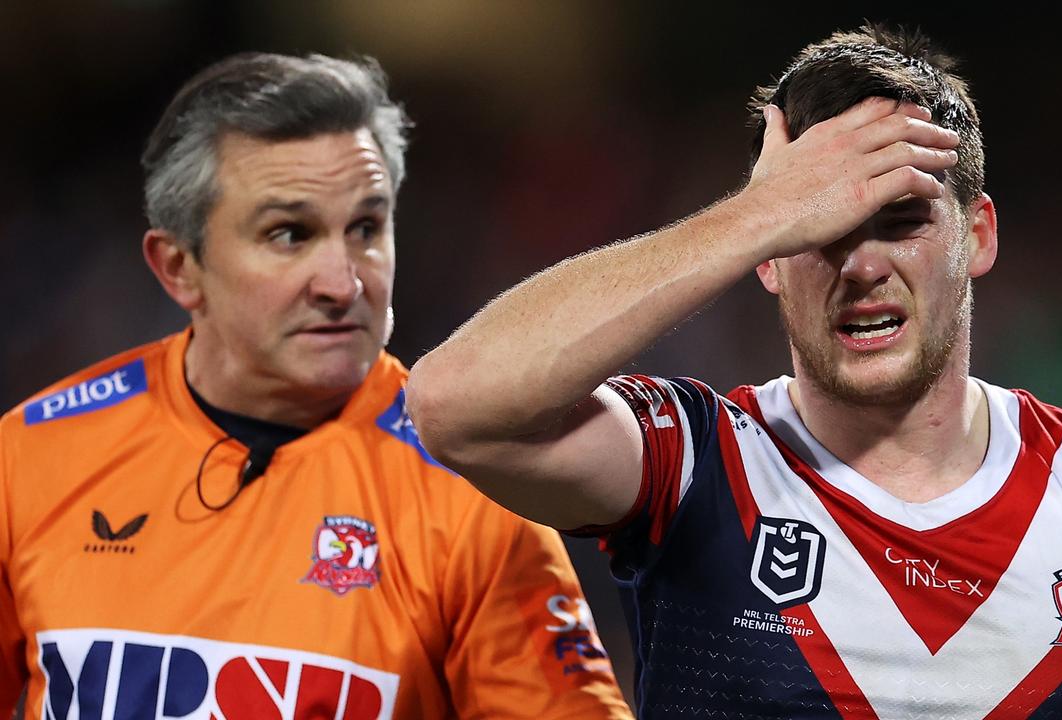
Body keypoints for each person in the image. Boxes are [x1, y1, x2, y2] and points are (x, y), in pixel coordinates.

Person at [406, 24, 1062, 718]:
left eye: (899, 219)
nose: (860, 265)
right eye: (818, 229)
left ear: (980, 236)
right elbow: (450, 404)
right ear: (769, 260)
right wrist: (758, 212)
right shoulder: (697, 465)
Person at [0, 53, 632, 720]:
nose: (344, 283)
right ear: (180, 267)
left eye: (366, 228)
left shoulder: (473, 490)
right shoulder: (29, 458)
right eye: (290, 234)